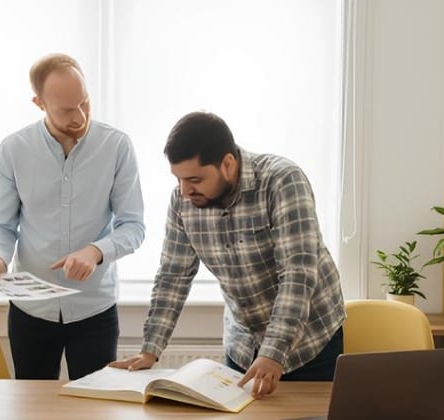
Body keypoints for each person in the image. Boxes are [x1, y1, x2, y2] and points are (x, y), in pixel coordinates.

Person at [110, 111, 345, 398]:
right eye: (178, 179)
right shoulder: (182, 202)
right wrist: (150, 349)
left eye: (195, 179)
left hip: (310, 343)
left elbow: (298, 274)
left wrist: (272, 353)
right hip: (243, 346)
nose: (185, 191)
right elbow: (173, 276)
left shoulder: (282, 181)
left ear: (228, 164)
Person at [0, 53, 145, 380]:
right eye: (67, 110)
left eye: (84, 103)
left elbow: (133, 226)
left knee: (94, 403)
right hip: (31, 310)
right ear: (39, 103)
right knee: (32, 404)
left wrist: (96, 251)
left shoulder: (116, 146)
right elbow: (1, 225)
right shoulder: (14, 149)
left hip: (94, 309)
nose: (80, 116)